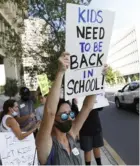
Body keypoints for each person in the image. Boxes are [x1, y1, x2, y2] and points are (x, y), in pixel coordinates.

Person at [36, 52, 107, 165]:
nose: (69, 118)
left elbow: (87, 107)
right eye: (64, 115)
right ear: (54, 119)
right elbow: (49, 112)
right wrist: (60, 72)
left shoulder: (71, 135)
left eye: (71, 114)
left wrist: (98, 78)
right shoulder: (46, 143)